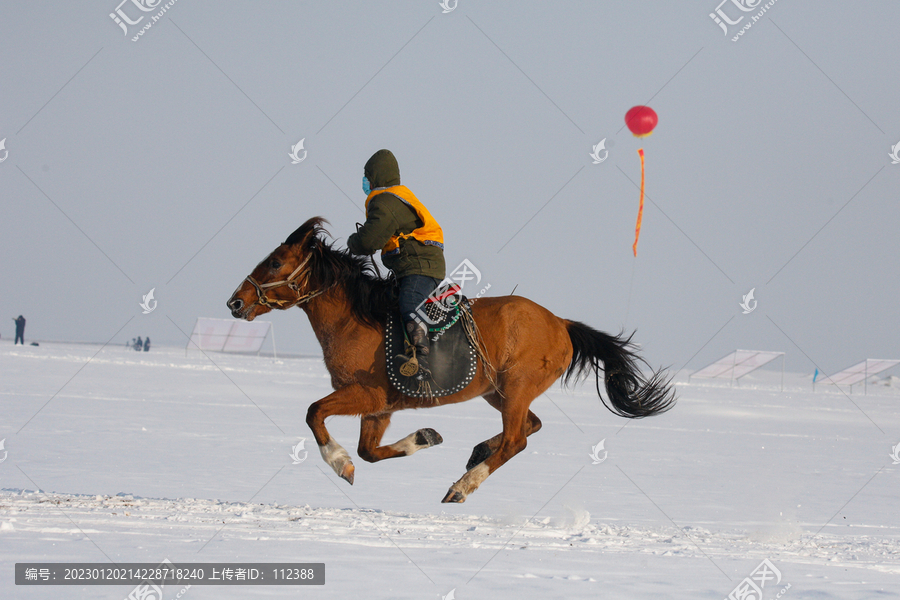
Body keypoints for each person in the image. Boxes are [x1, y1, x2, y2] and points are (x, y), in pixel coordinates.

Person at [347, 149, 446, 378]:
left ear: (376, 176)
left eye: (367, 177)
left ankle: (422, 359)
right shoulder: (394, 198)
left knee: (409, 302)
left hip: (419, 267)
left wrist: (353, 242)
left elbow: (369, 241)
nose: (365, 182)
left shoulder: (385, 201)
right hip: (412, 266)